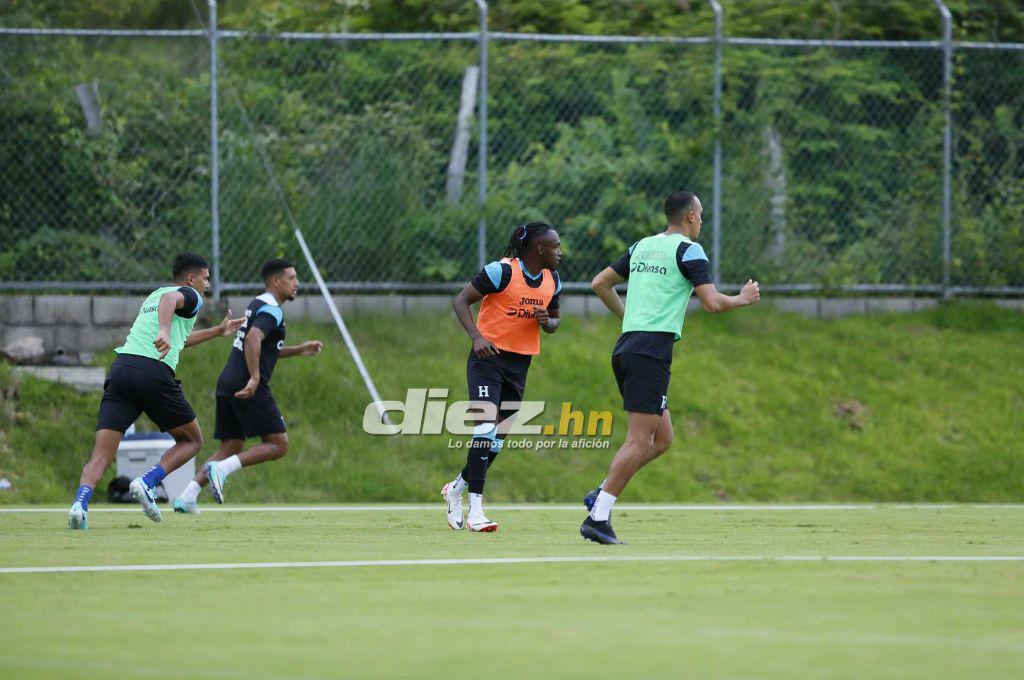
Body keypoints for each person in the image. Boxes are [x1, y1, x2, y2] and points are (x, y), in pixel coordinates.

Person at [582, 191, 760, 544]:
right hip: (651, 351)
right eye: (702, 215)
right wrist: (742, 299)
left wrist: (628, 317)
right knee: (639, 440)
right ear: (691, 216)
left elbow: (599, 284)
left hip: (627, 347)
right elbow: (711, 303)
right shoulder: (689, 250)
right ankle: (598, 517)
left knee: (662, 439)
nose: (702, 221)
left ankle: (601, 492)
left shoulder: (642, 246)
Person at [68, 253, 244, 529]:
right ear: (191, 278)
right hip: (152, 372)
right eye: (206, 279)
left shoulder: (154, 295)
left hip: (121, 369)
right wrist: (163, 330)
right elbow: (170, 305)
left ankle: (80, 504)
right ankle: (147, 482)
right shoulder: (185, 295)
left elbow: (177, 339)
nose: (207, 285)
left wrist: (217, 331)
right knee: (192, 441)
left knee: (101, 454)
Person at [173, 258, 322, 512]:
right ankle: (222, 469)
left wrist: (297, 350)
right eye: (292, 278)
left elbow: (261, 346)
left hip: (227, 381)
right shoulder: (273, 309)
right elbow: (253, 339)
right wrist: (254, 378)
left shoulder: (258, 304)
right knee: (278, 444)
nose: (297, 283)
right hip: (247, 384)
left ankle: (187, 496)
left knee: (232, 446)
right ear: (276, 281)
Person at [442, 223, 563, 532]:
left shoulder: (553, 280)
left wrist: (547, 321)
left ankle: (456, 489)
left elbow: (554, 323)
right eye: (555, 246)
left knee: (495, 442)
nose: (559, 252)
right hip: (487, 360)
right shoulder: (502, 272)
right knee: (484, 428)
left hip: (519, 366)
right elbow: (460, 300)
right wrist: (476, 338)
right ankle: (476, 512)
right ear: (539, 249)